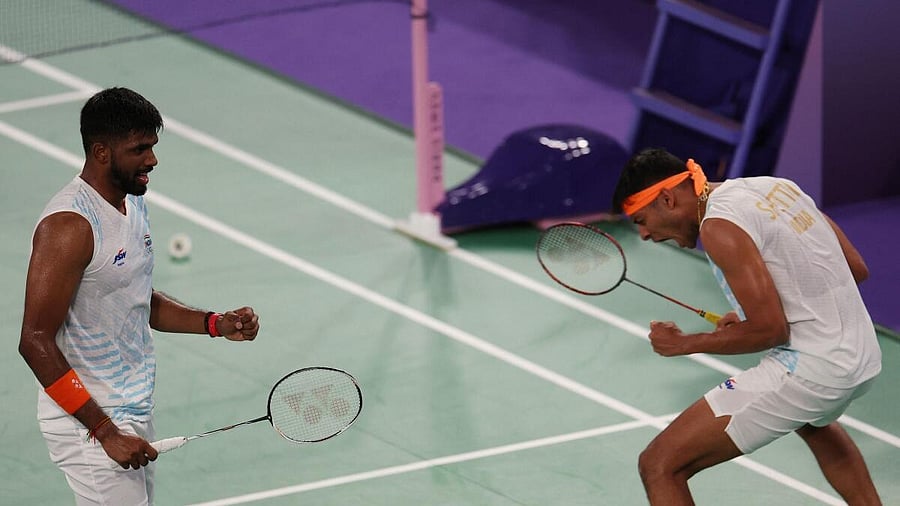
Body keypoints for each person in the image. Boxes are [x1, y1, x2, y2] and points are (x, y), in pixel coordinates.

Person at [18, 87, 260, 505]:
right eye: (139, 149)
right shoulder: (70, 226)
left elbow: (135, 299)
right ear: (101, 152)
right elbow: (34, 340)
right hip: (88, 421)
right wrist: (105, 432)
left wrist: (213, 323)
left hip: (131, 408)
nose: (152, 160)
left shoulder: (131, 202)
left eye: (152, 146)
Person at [612, 148, 882, 505]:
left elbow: (770, 332)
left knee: (660, 465)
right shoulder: (775, 187)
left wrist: (686, 344)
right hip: (863, 357)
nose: (644, 234)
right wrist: (756, 311)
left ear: (667, 199)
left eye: (641, 220)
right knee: (813, 423)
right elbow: (855, 268)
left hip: (814, 370)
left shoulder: (718, 226)